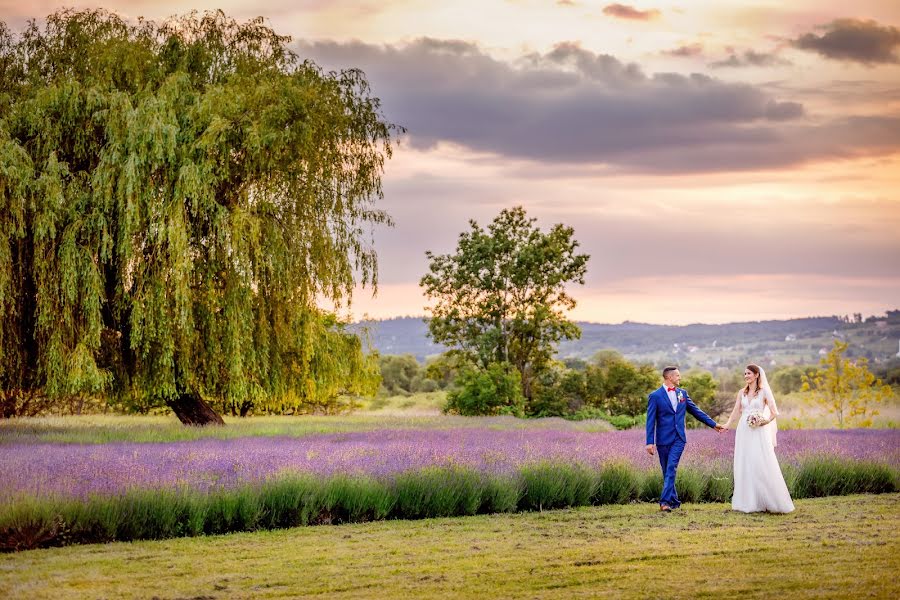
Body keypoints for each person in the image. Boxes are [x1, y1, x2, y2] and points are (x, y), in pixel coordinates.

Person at [645, 366, 724, 511]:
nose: (679, 378)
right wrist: (650, 442)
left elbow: (696, 411)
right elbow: (650, 421)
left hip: (679, 438)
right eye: (677, 376)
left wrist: (713, 424)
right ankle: (674, 501)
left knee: (671, 467)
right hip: (662, 440)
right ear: (669, 377)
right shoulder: (655, 396)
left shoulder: (683, 393)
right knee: (666, 471)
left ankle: (664, 502)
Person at [721, 364, 794, 513]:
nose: (746, 376)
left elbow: (774, 412)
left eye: (748, 373)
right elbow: (736, 411)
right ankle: (748, 501)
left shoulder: (764, 392)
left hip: (758, 431)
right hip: (743, 430)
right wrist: (727, 424)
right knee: (745, 461)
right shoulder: (741, 392)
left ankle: (770, 501)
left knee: (760, 461)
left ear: (756, 375)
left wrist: (764, 422)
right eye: (745, 373)